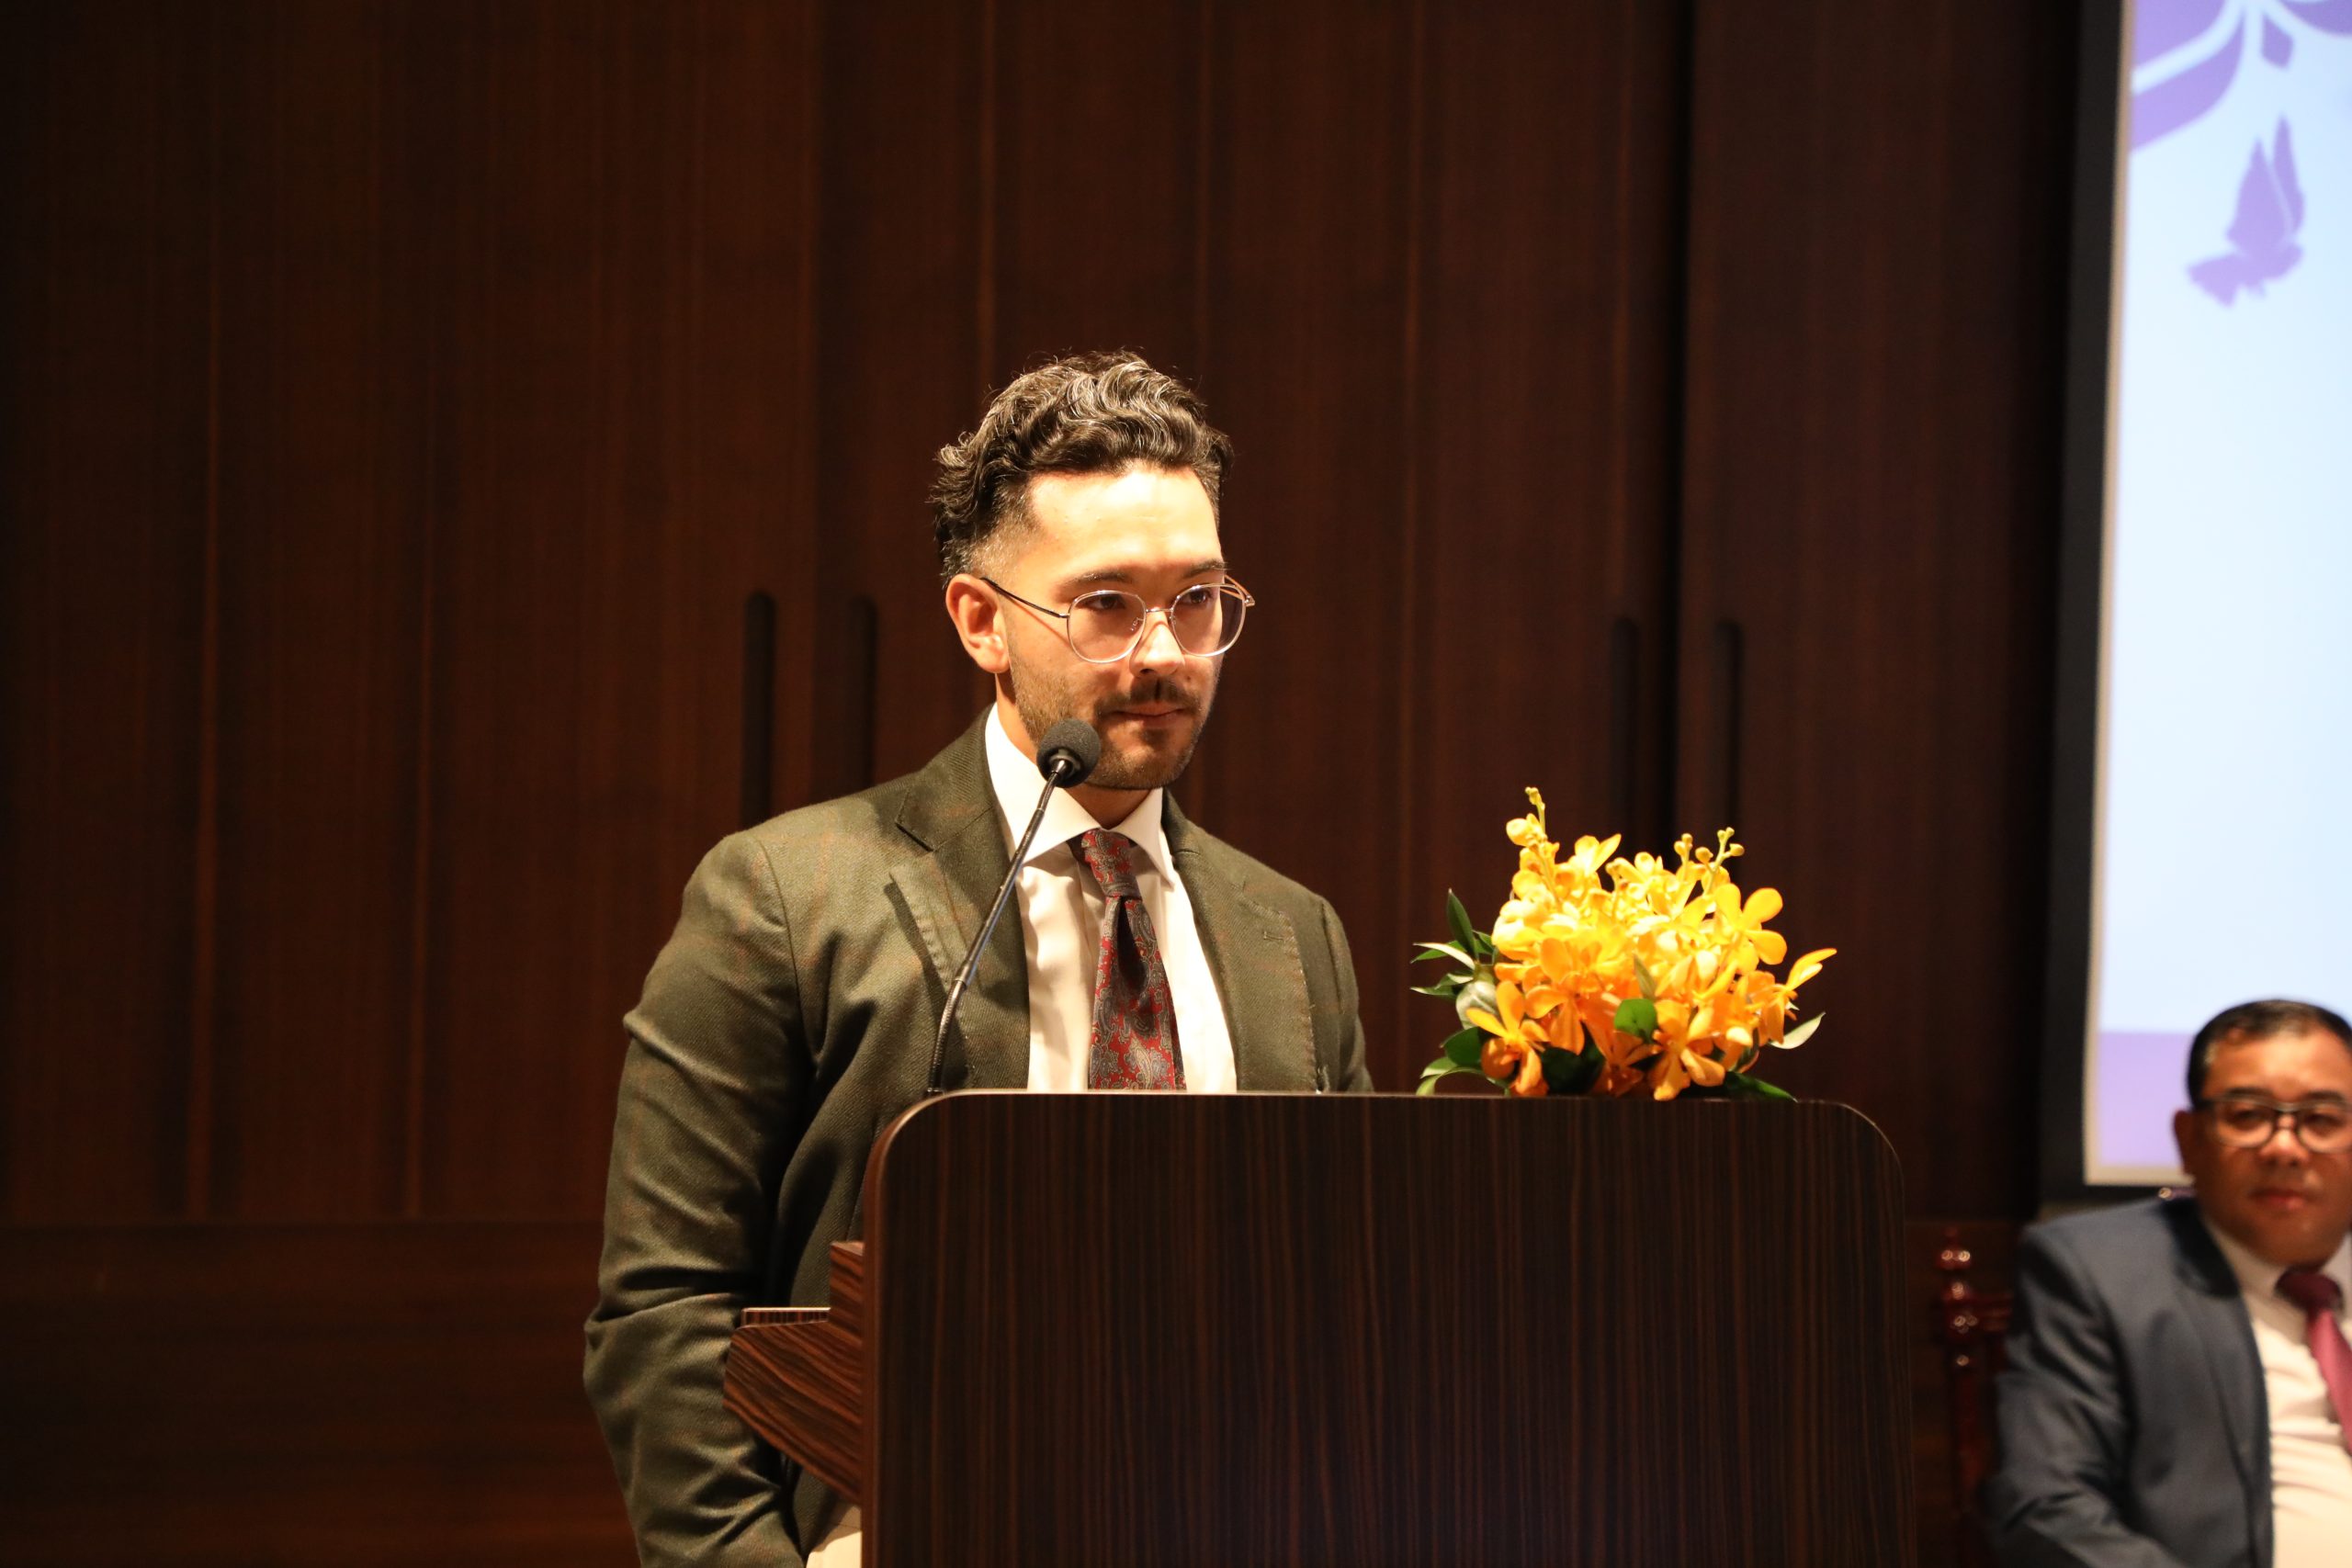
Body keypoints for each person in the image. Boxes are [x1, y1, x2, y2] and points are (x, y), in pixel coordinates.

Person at [582, 352, 1373, 1566]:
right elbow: (665, 1307)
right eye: (1105, 605)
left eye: (1198, 600)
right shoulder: (788, 895)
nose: (1164, 651)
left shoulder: (1293, 934)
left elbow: (1351, 1305)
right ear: (981, 620)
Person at [1987, 998, 2352, 1567]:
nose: (2284, 1148)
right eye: (2247, 1115)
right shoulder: (2096, 1272)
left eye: (2322, 1120)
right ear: (2189, 1140)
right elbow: (2046, 1509)